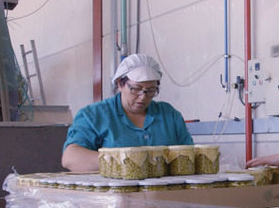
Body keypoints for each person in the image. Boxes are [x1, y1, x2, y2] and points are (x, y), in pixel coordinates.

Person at [62, 54, 192, 172]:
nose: (143, 97)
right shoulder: (94, 115)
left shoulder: (169, 115)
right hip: (114, 195)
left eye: (151, 90)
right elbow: (71, 158)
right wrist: (128, 162)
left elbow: (189, 155)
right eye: (136, 89)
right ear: (120, 84)